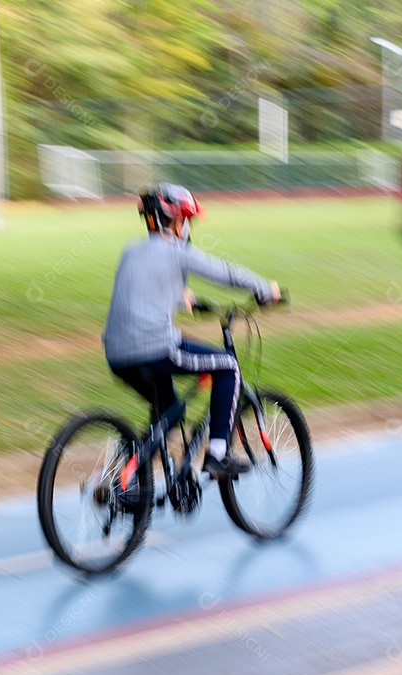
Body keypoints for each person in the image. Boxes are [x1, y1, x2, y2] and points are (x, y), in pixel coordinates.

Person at [102, 183, 280, 478]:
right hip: (156, 348)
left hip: (116, 353)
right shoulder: (178, 252)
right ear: (175, 221)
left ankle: (131, 479)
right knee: (228, 366)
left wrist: (183, 296)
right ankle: (218, 455)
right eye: (186, 220)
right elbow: (226, 273)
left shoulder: (130, 251)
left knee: (169, 410)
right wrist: (265, 289)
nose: (187, 228)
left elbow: (143, 290)